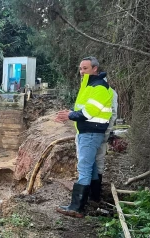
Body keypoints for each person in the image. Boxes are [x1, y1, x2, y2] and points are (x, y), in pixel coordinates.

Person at [55, 56, 113, 218]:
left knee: (84, 167)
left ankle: (76, 207)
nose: (81, 71)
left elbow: (88, 112)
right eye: (80, 68)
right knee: (91, 166)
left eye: (85, 68)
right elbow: (83, 108)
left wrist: (70, 115)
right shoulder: (89, 85)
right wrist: (70, 114)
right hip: (88, 132)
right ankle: (92, 199)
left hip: (90, 132)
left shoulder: (99, 87)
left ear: (95, 68)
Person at [89, 78, 118, 203]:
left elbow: (111, 115)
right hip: (97, 132)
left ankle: (92, 194)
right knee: (96, 161)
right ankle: (94, 194)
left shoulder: (100, 92)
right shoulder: (111, 92)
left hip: (94, 133)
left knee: (90, 162)